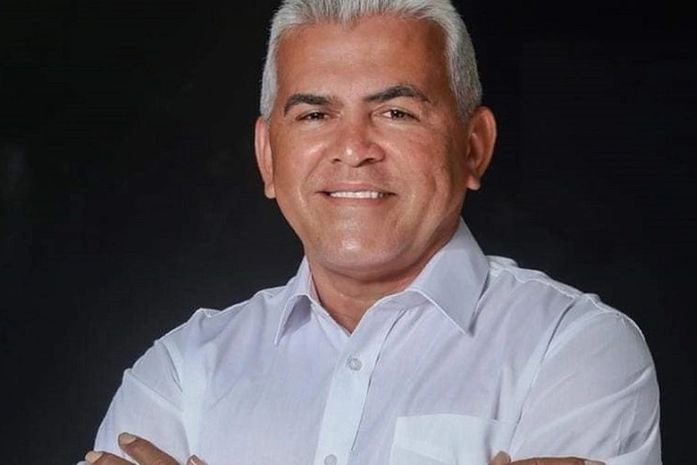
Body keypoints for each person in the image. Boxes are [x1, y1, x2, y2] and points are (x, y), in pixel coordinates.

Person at [79, 1, 661, 464]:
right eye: (315, 115)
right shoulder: (182, 370)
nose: (354, 149)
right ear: (268, 158)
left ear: (473, 146)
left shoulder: (573, 348)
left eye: (396, 113)